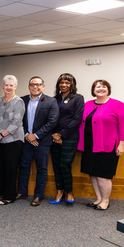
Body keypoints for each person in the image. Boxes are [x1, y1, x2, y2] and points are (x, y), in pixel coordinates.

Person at [78, 79, 124, 211]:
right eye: (97, 87)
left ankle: (105, 200)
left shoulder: (117, 105)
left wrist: (122, 144)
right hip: (89, 145)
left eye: (103, 87)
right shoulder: (87, 104)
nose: (100, 89)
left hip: (107, 146)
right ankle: (98, 199)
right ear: (93, 90)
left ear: (108, 89)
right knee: (93, 174)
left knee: (103, 175)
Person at [16, 76, 59, 207]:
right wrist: (27, 135)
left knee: (41, 169)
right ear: (29, 86)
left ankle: (38, 195)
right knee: (24, 167)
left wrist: (35, 135)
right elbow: (17, 120)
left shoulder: (51, 101)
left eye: (38, 84)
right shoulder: (21, 100)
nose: (35, 87)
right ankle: (22, 192)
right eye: (32, 84)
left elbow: (52, 122)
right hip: (25, 140)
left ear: (43, 86)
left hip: (42, 142)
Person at [49, 73, 84, 206]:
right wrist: (54, 134)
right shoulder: (53, 99)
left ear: (72, 85)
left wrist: (61, 135)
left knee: (64, 165)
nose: (64, 85)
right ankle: (59, 192)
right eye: (61, 82)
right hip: (53, 137)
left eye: (67, 83)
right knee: (56, 166)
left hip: (69, 137)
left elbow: (77, 119)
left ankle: (69, 192)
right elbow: (50, 118)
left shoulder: (78, 98)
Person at [0, 75, 25, 205]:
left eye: (11, 85)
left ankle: (9, 196)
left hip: (13, 140)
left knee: (10, 169)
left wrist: (1, 135)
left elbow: (16, 122)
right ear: (3, 86)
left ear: (15, 86)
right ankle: (0, 191)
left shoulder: (19, 102)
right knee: (0, 167)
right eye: (6, 85)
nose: (9, 87)